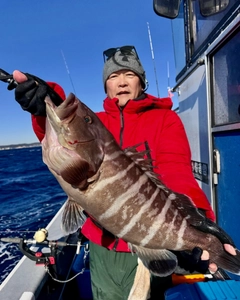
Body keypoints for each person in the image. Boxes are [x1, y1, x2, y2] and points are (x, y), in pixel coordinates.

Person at [12, 45, 236, 300]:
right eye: (113, 76)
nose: (121, 82)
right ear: (106, 85)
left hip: (157, 242)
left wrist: (199, 222)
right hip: (106, 249)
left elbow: (176, 171)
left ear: (142, 82)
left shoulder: (165, 119)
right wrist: (46, 102)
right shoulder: (98, 121)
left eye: (130, 74)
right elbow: (60, 135)